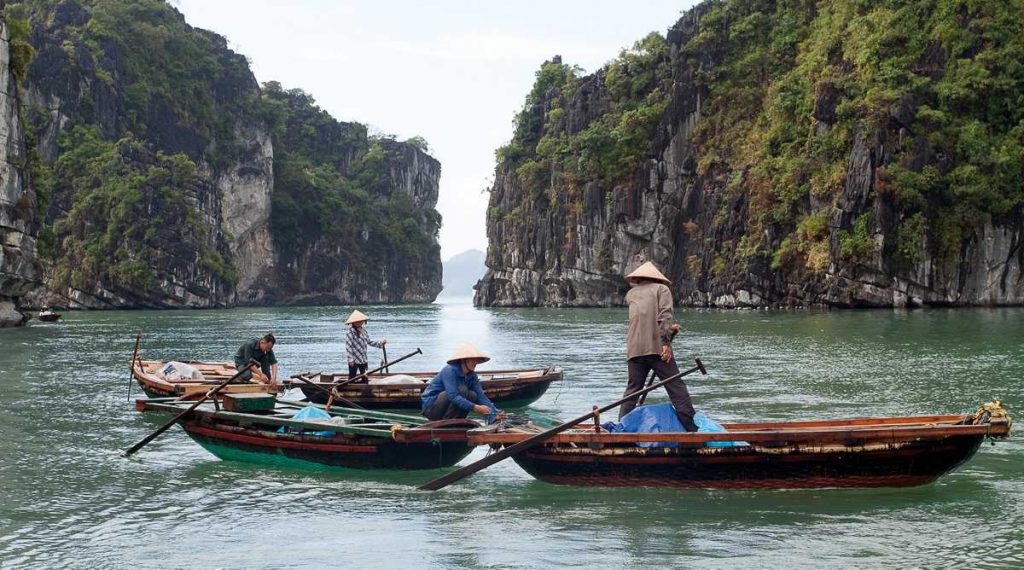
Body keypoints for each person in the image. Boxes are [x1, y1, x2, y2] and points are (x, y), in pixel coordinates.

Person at [618, 261, 698, 432]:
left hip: (634, 349)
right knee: (676, 387)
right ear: (657, 278)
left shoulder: (631, 294)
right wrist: (666, 343)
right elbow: (664, 315)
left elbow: (644, 319)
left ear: (639, 278)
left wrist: (669, 329)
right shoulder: (662, 289)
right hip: (656, 348)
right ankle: (691, 429)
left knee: (632, 392)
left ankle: (621, 427)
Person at [421, 343, 503, 421]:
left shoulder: (472, 376)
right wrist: (476, 408)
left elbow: (480, 395)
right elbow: (453, 396)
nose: (475, 363)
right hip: (431, 409)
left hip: (447, 408)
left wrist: (494, 412)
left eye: (476, 360)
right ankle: (447, 422)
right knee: (462, 390)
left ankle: (456, 421)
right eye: (472, 360)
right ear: (464, 360)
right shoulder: (450, 370)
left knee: (473, 395)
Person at [345, 310, 386, 380]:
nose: (359, 322)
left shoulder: (364, 331)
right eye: (357, 321)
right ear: (353, 322)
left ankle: (364, 385)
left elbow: (369, 342)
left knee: (364, 377)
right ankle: (350, 385)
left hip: (363, 358)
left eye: (361, 321)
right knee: (352, 377)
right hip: (354, 359)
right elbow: (349, 347)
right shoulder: (350, 332)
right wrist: (350, 358)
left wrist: (380, 344)